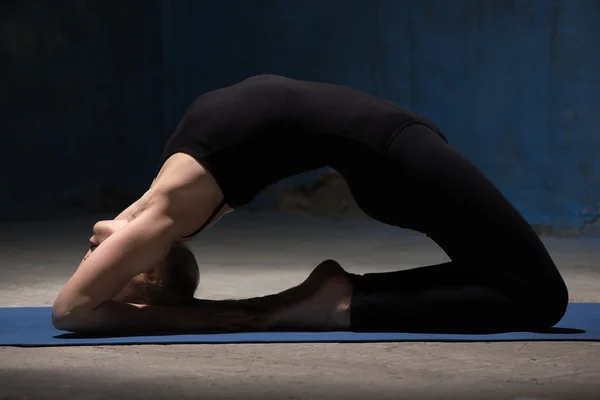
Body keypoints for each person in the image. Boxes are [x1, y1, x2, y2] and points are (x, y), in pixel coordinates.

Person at [52, 74, 569, 334]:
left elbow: (90, 283)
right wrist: (219, 315)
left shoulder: (164, 190)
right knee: (540, 296)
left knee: (505, 274)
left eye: (87, 259)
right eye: (100, 265)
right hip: (393, 155)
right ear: (144, 267)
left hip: (395, 152)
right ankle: (342, 302)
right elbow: (70, 311)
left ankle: (340, 294)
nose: (89, 257)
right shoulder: (169, 214)